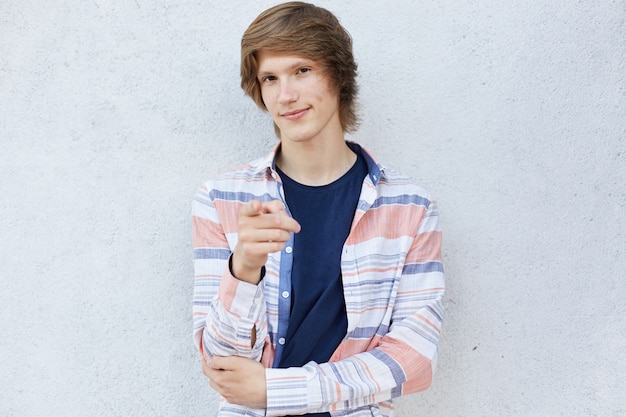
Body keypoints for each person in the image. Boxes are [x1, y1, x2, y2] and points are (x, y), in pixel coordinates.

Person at [191, 2, 445, 416]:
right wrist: (245, 267)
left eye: (302, 71)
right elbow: (220, 362)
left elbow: (412, 361)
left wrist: (279, 390)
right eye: (269, 78)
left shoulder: (409, 206)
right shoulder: (222, 198)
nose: (285, 95)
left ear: (338, 74)